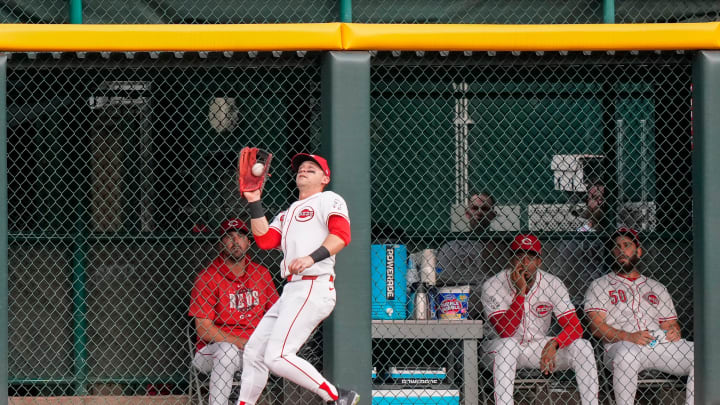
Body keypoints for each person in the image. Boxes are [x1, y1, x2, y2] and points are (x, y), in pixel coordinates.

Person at [238, 153, 359, 405]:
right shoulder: (288, 212)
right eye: (301, 168)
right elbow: (264, 240)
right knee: (254, 353)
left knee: (277, 356)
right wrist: (254, 201)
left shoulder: (328, 199)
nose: (303, 170)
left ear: (325, 178)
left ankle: (337, 396)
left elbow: (342, 235)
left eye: (311, 169)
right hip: (292, 290)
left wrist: (311, 258)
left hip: (314, 284)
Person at [480, 234, 599, 405]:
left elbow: (575, 328)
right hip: (498, 348)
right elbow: (506, 331)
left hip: (539, 348)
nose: (524, 262)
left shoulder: (553, 283)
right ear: (510, 259)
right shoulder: (493, 284)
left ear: (539, 262)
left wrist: (555, 343)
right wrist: (520, 293)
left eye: (531, 257)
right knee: (508, 345)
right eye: (519, 256)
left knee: (583, 346)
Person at [584, 227, 694, 405]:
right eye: (616, 246)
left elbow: (671, 325)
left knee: (703, 355)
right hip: (621, 345)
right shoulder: (600, 285)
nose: (621, 250)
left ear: (638, 251)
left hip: (658, 344)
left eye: (627, 245)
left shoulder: (657, 287)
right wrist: (629, 336)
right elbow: (596, 326)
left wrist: (674, 332)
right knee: (627, 355)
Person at [188, 218, 280, 405]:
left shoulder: (261, 274)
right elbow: (204, 330)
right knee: (227, 351)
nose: (235, 241)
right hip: (210, 353)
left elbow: (276, 316)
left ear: (249, 242)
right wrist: (241, 342)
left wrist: (262, 343)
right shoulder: (207, 277)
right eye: (229, 237)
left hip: (253, 352)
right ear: (220, 243)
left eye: (240, 236)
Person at [436, 192, 500, 319]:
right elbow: (439, 277)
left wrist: (466, 281)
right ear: (467, 213)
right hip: (458, 308)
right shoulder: (453, 246)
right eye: (475, 208)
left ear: (493, 214)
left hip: (494, 311)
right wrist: (481, 282)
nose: (480, 212)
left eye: (485, 209)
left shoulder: (501, 247)